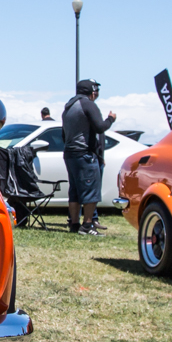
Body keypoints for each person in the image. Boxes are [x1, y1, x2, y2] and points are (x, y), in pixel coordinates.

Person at [61, 78, 116, 235]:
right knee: (90, 190)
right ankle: (87, 225)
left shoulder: (68, 107)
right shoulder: (88, 105)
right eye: (96, 91)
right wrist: (111, 119)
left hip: (70, 153)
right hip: (84, 153)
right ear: (92, 92)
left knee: (75, 190)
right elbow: (100, 127)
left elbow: (64, 134)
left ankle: (74, 224)